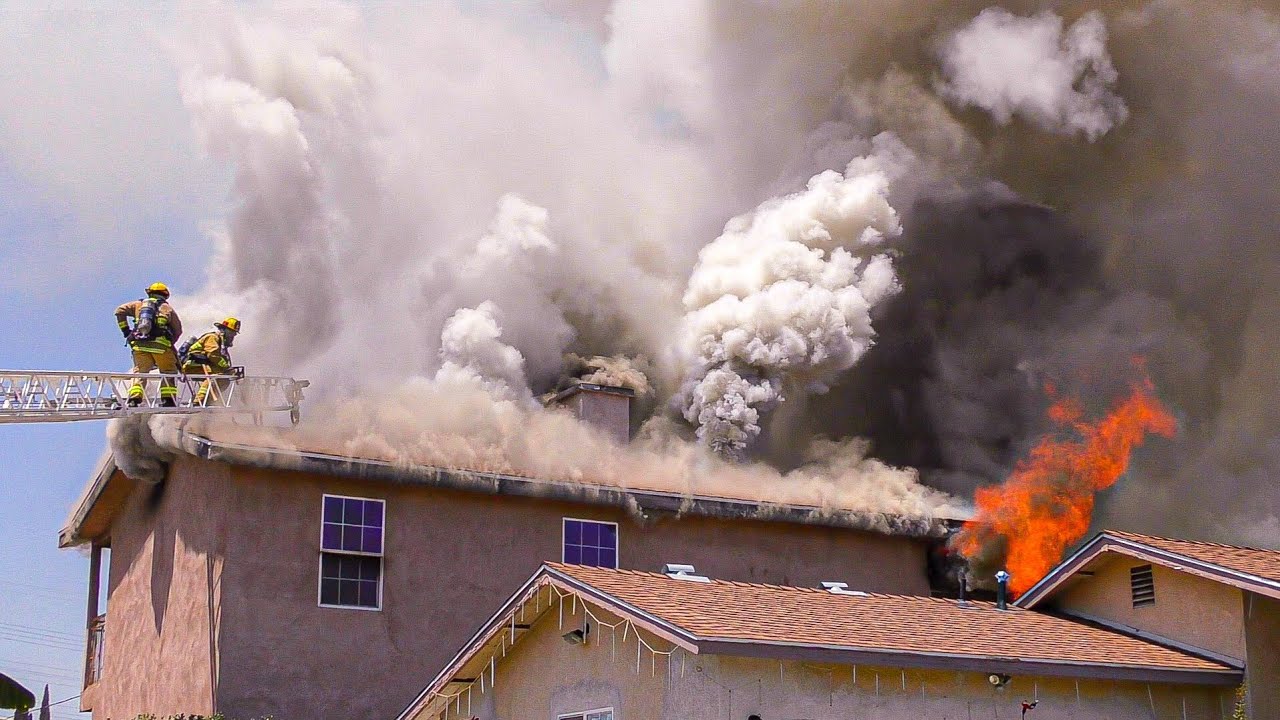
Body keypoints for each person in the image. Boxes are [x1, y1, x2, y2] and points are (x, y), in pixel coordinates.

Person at [114, 282, 182, 407]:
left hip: (139, 346)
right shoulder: (167, 308)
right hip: (161, 347)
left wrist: (126, 331)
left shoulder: (138, 305)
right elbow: (178, 330)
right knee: (168, 371)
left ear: (149, 292)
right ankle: (168, 400)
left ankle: (134, 399)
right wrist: (169, 342)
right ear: (165, 295)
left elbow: (119, 311)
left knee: (140, 372)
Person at [180, 317, 241, 406]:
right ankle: (199, 401)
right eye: (232, 333)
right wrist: (226, 368)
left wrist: (227, 369)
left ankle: (208, 400)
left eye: (234, 334)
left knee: (224, 380)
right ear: (224, 330)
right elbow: (213, 355)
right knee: (216, 376)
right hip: (193, 366)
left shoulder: (220, 342)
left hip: (204, 367)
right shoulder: (212, 337)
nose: (232, 337)